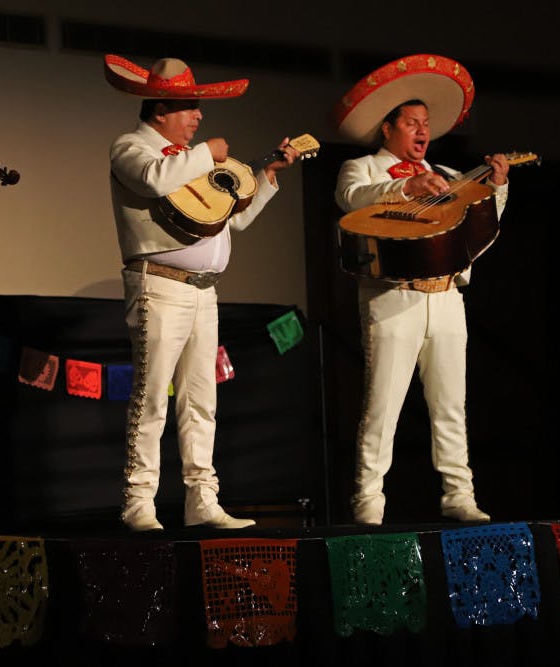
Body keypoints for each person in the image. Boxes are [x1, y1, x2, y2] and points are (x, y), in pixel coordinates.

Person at [104, 54, 300, 531]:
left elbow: (231, 216)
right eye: (190, 107)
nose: (198, 116)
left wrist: (267, 174)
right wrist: (205, 153)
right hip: (159, 288)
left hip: (203, 293)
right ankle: (137, 502)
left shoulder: (193, 160)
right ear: (161, 109)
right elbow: (153, 180)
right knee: (152, 396)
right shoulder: (132, 147)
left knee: (200, 400)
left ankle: (202, 500)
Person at [331, 54, 509, 525]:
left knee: (451, 406)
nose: (421, 130)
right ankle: (369, 502)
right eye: (412, 122)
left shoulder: (449, 176)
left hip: (447, 297)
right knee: (382, 406)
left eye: (425, 123)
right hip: (394, 298)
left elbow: (478, 234)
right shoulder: (361, 168)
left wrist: (496, 187)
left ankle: (459, 495)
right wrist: (407, 190)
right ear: (388, 129)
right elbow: (351, 201)